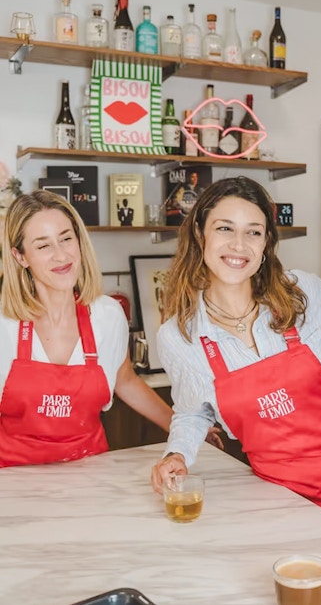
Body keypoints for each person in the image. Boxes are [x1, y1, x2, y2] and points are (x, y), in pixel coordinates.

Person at [151, 175, 321, 550]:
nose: (239, 245)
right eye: (225, 228)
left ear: (267, 243)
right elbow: (193, 411)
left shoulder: (303, 293)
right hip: (278, 496)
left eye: (253, 232)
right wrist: (177, 453)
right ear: (200, 233)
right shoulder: (179, 335)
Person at [0, 189, 221, 467]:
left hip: (90, 473)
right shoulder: (4, 324)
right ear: (20, 257)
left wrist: (185, 432)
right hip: (11, 479)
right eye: (43, 246)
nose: (61, 255)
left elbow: (125, 380)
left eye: (66, 238)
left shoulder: (106, 315)